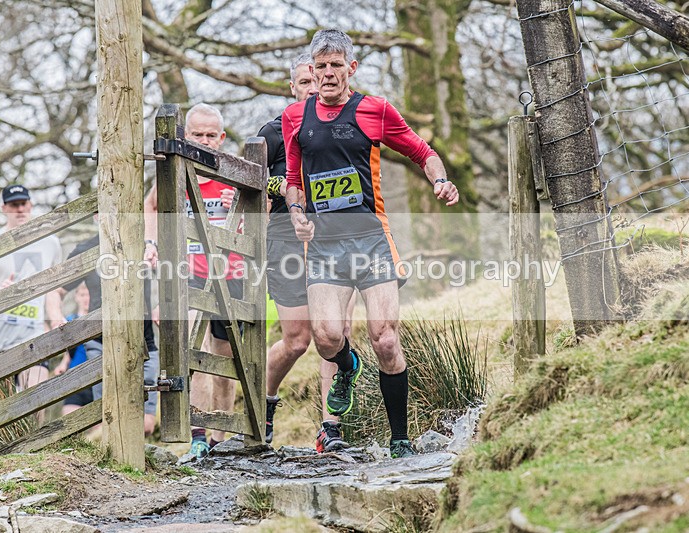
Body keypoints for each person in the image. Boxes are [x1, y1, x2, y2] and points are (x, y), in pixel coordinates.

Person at [282, 30, 460, 458]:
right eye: (320, 67)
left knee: (384, 337)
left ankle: (399, 438)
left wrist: (439, 179)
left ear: (351, 68)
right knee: (326, 337)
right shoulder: (295, 117)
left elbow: (422, 150)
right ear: (312, 69)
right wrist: (296, 212)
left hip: (371, 241)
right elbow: (292, 182)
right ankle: (347, 366)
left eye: (335, 66)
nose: (327, 74)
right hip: (324, 246)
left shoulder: (374, 110)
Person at [259, 53, 356, 452]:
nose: (313, 88)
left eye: (317, 81)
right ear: (293, 87)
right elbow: (253, 184)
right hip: (285, 240)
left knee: (334, 335)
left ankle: (330, 429)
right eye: (304, 82)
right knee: (297, 340)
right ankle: (261, 407)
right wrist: (283, 188)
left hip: (335, 238)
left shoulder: (343, 124)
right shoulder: (273, 132)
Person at [144, 103, 242, 457]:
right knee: (191, 351)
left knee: (225, 359)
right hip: (189, 275)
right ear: (186, 136)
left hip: (231, 277)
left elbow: (262, 220)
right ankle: (198, 436)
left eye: (210, 135)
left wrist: (241, 205)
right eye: (197, 135)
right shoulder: (174, 173)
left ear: (221, 137)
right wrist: (151, 243)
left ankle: (222, 436)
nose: (203, 141)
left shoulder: (235, 171)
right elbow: (151, 205)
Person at [57, 228, 160, 437]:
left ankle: (129, 462)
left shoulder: (142, 245)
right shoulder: (85, 250)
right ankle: (113, 462)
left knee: (146, 425)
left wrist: (163, 305)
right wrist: (55, 317)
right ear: (96, 216)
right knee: (107, 417)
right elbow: (56, 290)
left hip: (144, 341)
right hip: (100, 341)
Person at [0, 184, 65, 391]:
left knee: (37, 401)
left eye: (23, 203)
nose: (20, 209)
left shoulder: (50, 243)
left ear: (30, 204)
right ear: (4, 208)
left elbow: (52, 288)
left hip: (33, 335)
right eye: (14, 205)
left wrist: (56, 316)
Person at [54, 282, 93, 416]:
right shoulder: (70, 321)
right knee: (70, 420)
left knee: (98, 432)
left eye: (88, 294)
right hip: (75, 378)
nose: (86, 298)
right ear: (76, 296)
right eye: (82, 294)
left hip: (98, 379)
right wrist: (63, 365)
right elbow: (70, 351)